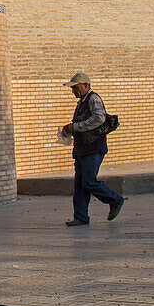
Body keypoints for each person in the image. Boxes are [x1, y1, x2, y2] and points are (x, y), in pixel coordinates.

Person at [60, 73, 124, 226]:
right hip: (82, 149)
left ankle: (115, 200)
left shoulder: (93, 98)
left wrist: (76, 127)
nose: (73, 91)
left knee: (89, 181)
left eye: (76, 88)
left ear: (86, 86)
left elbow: (99, 118)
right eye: (72, 88)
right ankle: (81, 216)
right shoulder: (82, 101)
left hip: (93, 148)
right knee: (80, 184)